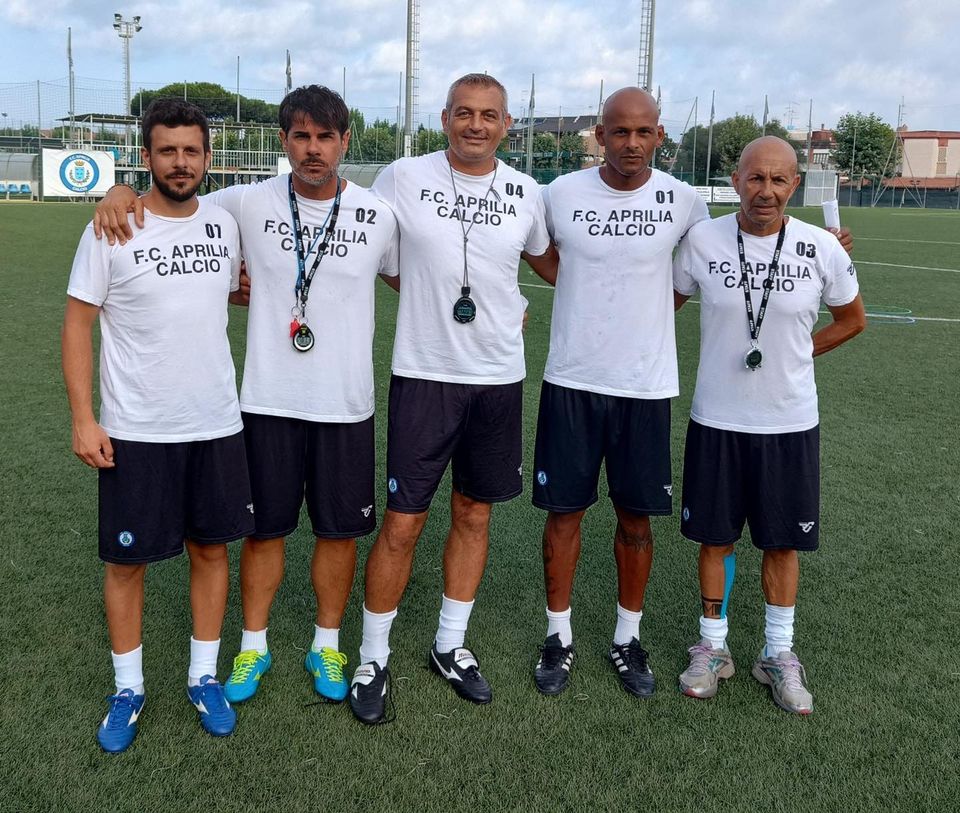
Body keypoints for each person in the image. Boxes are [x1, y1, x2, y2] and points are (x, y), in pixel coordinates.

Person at [93, 85, 400, 706]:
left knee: (339, 533)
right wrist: (119, 190)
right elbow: (172, 201)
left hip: (346, 405)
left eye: (325, 137)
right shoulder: (244, 202)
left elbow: (414, 280)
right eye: (300, 136)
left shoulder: (379, 214)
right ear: (283, 141)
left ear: (345, 141)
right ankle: (252, 645)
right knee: (264, 532)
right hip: (264, 403)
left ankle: (326, 643)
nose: (313, 149)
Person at [348, 73, 553, 724]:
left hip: (498, 378)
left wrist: (508, 305)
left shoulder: (526, 191)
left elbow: (554, 264)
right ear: (444, 118)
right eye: (464, 113)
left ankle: (449, 644)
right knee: (403, 521)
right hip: (425, 375)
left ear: (507, 124)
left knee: (473, 514)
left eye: (489, 115)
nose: (476, 125)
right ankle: (372, 656)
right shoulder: (402, 177)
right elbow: (365, 245)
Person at [63, 99, 253, 753]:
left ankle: (204, 676)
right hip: (136, 428)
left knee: (211, 551)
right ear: (146, 157)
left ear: (207, 158)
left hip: (215, 423)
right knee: (127, 562)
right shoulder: (112, 226)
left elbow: (232, 290)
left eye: (191, 150)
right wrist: (83, 418)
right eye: (167, 150)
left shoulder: (224, 224)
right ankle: (128, 688)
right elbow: (77, 324)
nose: (180, 162)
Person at [672, 135, 866, 714]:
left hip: (789, 422)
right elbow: (663, 302)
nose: (766, 190)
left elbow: (852, 320)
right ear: (736, 181)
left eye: (779, 180)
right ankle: (713, 647)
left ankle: (778, 653)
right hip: (717, 418)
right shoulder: (702, 240)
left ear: (794, 186)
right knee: (716, 537)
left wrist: (802, 353)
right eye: (755, 178)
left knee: (782, 542)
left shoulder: (820, 247)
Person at [529, 87, 709, 698]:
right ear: (600, 135)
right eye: (619, 131)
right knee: (564, 514)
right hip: (572, 380)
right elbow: (538, 253)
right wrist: (582, 291)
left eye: (643, 132)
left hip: (644, 387)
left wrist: (644, 314)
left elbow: (701, 269)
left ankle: (627, 638)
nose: (631, 143)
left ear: (659, 135)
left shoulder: (684, 201)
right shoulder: (560, 194)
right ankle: (558, 635)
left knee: (636, 519)